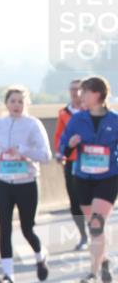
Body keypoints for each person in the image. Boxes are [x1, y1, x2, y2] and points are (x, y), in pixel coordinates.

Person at [0, 86, 52, 283]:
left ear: (26, 104)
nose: (16, 105)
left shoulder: (33, 124)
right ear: (6, 103)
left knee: (27, 228)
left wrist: (23, 151)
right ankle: (8, 277)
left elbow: (46, 155)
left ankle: (40, 255)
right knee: (4, 228)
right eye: (13, 101)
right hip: (4, 182)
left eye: (21, 101)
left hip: (27, 183)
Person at [58, 75, 118, 283]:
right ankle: (104, 260)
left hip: (108, 178)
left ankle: (91, 274)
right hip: (83, 178)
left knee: (96, 225)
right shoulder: (77, 120)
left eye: (84, 91)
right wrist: (70, 145)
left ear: (97, 94)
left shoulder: (115, 120)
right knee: (93, 227)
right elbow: (63, 149)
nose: (79, 95)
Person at [54, 78, 89, 250]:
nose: (75, 92)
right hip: (72, 161)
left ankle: (96, 232)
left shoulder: (93, 111)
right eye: (72, 89)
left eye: (78, 89)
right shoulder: (64, 113)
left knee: (91, 200)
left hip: (90, 160)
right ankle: (83, 235)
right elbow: (59, 136)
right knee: (75, 200)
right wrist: (60, 153)